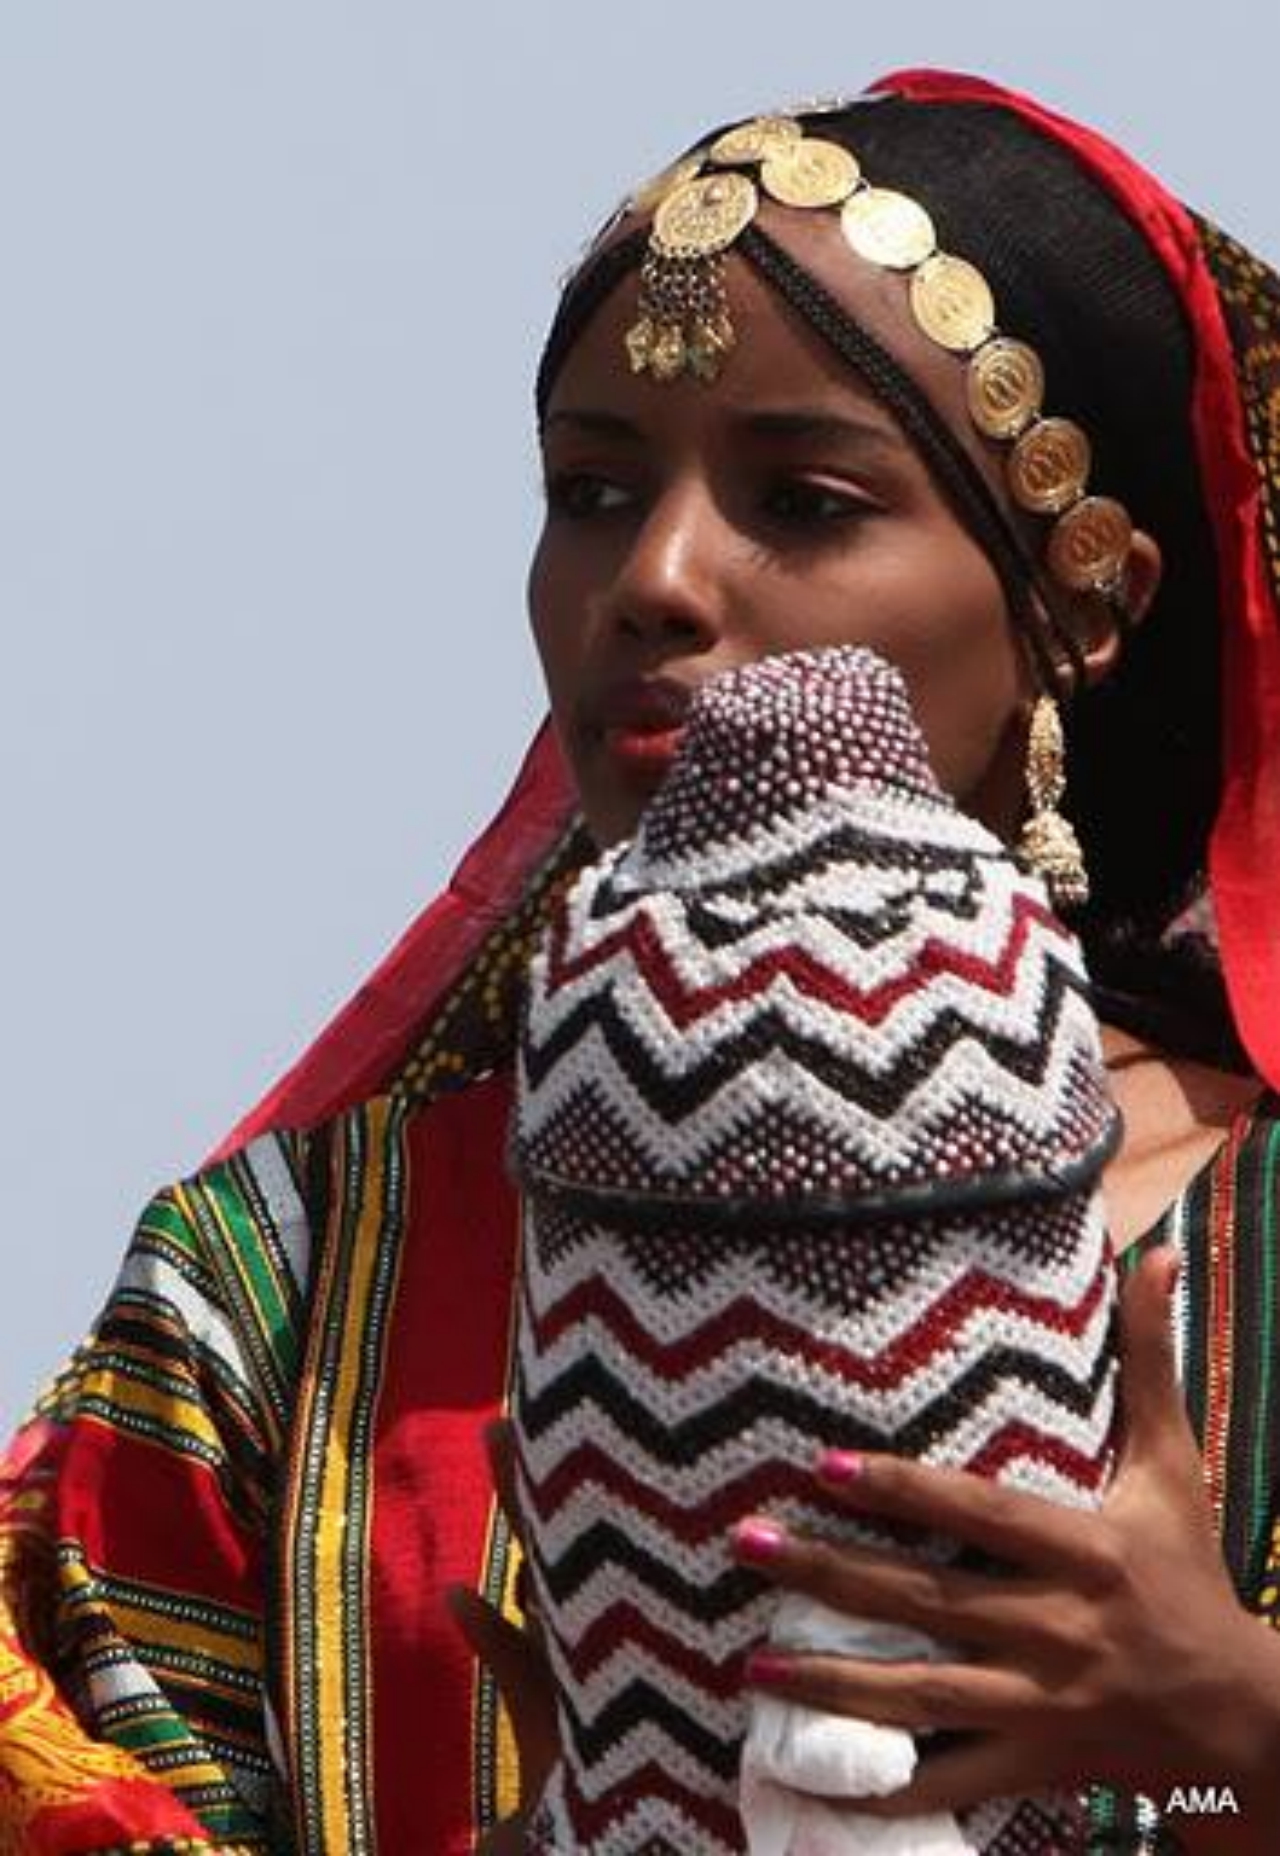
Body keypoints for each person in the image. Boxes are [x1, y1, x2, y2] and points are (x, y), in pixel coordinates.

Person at [1, 65, 1277, 1856]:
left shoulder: (1260, 1228)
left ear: (1086, 599)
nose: (656, 579)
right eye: (592, 491)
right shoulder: (278, 1290)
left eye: (808, 501)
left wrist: (1231, 1736)